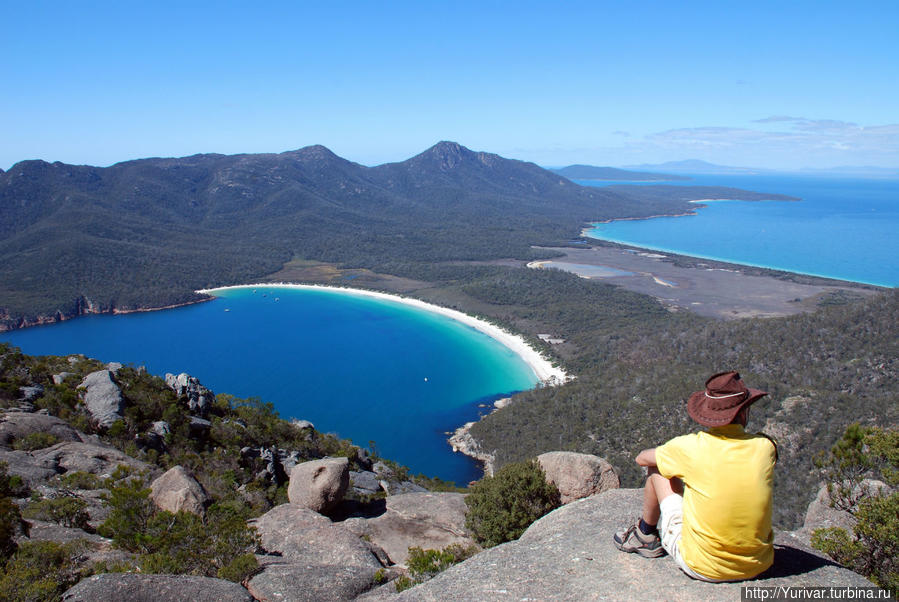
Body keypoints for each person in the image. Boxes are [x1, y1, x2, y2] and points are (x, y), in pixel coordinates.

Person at [612, 370, 777, 582]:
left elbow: (641, 459)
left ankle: (644, 535)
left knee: (658, 469)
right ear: (744, 412)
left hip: (702, 566)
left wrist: (668, 454)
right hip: (759, 564)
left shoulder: (691, 447)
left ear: (708, 414)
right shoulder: (765, 447)